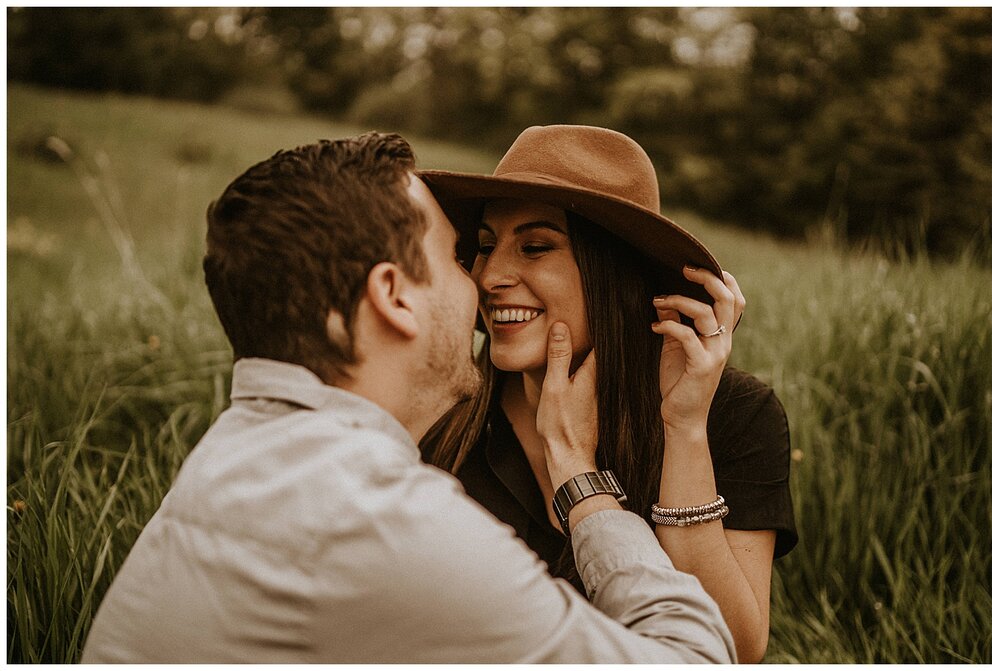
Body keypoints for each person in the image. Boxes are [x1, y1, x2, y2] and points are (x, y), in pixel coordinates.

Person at [80, 132, 736, 663]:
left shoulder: (229, 458)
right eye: (458, 255)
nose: (481, 283)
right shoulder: (382, 520)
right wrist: (584, 489)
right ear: (394, 295)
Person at [420, 124, 798, 663]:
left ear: (613, 270)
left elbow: (731, 648)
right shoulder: (442, 414)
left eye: (534, 247)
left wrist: (685, 430)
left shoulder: (734, 414)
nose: (490, 275)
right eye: (484, 246)